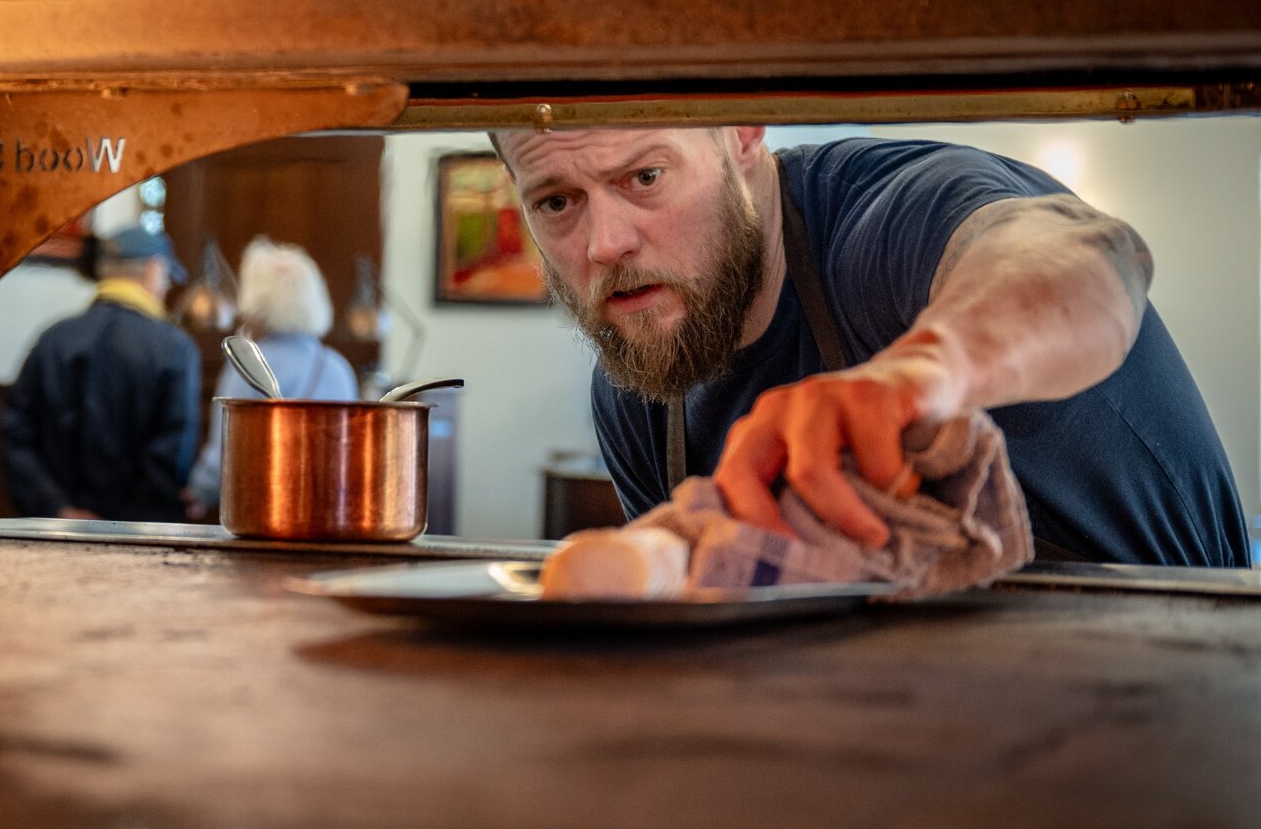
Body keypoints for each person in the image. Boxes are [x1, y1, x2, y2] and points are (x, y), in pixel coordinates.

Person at [494, 125, 1250, 568]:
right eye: (556, 202)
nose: (604, 244)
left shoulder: (891, 222)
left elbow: (1087, 263)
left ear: (743, 133)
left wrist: (917, 374)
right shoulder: (640, 392)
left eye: (646, 177)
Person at [0, 224, 201, 523]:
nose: (166, 287)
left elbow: (15, 436)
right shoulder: (174, 347)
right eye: (168, 279)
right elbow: (171, 456)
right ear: (154, 269)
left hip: (56, 535)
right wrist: (123, 525)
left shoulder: (53, 339)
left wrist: (57, 507)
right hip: (140, 544)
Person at [186, 238, 360, 516]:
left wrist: (197, 492)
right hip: (327, 509)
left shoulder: (248, 364)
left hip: (264, 511)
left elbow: (226, 452)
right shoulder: (337, 367)